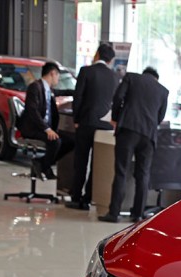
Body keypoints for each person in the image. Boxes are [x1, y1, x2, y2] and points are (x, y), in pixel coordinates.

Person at [99, 67, 169, 223]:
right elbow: (160, 116)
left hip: (128, 130)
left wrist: (116, 118)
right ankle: (138, 214)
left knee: (121, 171)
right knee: (143, 174)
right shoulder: (163, 91)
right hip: (148, 136)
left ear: (144, 74)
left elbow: (118, 97)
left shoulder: (131, 78)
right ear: (156, 78)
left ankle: (114, 213)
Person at [66, 43, 118, 211]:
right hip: (105, 126)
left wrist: (76, 118)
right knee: (97, 163)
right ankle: (88, 197)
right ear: (111, 60)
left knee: (81, 160)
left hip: (86, 122)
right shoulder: (114, 76)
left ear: (97, 55)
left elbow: (78, 97)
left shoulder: (86, 71)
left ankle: (76, 197)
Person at [17, 62, 74, 180]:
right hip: (33, 128)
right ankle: (45, 166)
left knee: (72, 140)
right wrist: (47, 129)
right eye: (58, 76)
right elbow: (32, 111)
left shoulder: (49, 90)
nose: (58, 79)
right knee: (55, 141)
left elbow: (64, 92)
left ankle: (42, 163)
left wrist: (80, 91)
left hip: (44, 128)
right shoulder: (35, 87)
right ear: (52, 73)